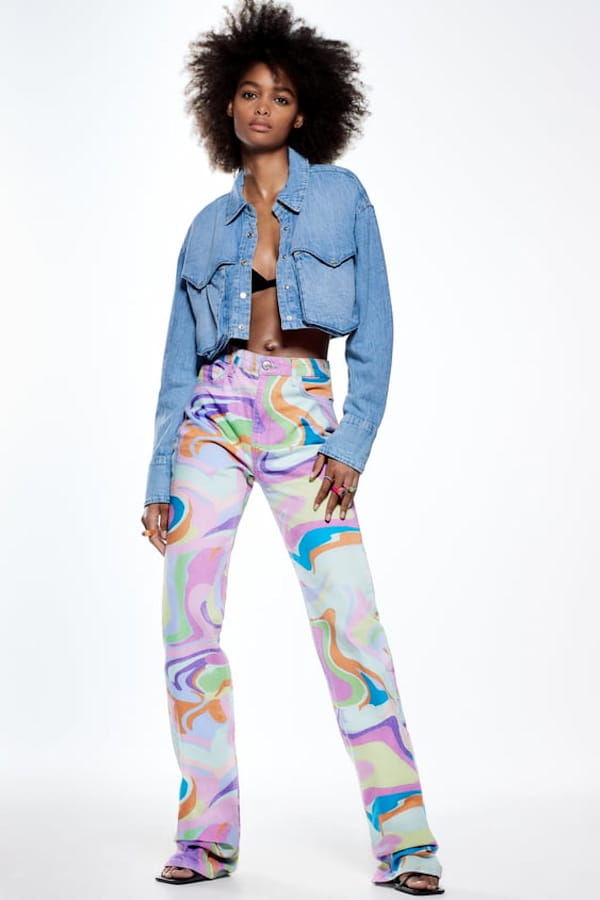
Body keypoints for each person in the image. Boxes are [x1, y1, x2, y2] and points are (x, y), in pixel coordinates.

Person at [140, 0, 444, 893]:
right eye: (247, 92)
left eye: (278, 94)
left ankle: (407, 843)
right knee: (188, 629)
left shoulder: (343, 198)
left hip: (304, 418)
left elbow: (377, 331)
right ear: (225, 106)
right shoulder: (205, 226)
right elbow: (175, 363)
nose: (262, 106)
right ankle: (206, 840)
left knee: (350, 619)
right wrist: (159, 475)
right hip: (211, 422)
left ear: (304, 108)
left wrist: (353, 440)